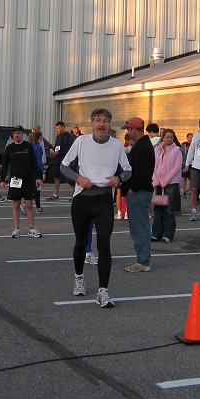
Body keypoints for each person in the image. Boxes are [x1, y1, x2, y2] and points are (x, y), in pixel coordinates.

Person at [59, 108, 131, 308]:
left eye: (106, 121)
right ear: (91, 123)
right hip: (82, 199)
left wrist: (118, 178)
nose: (102, 124)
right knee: (81, 242)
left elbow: (127, 170)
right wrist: (79, 178)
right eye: (98, 120)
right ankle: (79, 278)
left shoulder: (116, 145)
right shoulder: (81, 142)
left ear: (110, 125)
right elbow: (64, 166)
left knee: (104, 245)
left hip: (103, 200)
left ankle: (103, 291)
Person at [122, 116, 155, 273]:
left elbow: (141, 173)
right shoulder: (143, 145)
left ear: (135, 129)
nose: (128, 132)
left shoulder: (142, 147)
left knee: (140, 227)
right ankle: (141, 258)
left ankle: (143, 261)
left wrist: (131, 188)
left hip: (139, 192)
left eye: (129, 129)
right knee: (138, 227)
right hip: (140, 191)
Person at [0, 126, 43, 238]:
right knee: (16, 204)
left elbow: (34, 163)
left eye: (19, 133)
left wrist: (38, 177)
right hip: (15, 179)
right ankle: (16, 229)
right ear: (13, 135)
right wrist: (2, 179)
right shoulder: (9, 148)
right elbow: (5, 164)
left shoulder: (28, 146)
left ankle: (31, 228)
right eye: (15, 133)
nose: (17, 135)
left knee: (29, 204)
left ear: (22, 134)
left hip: (28, 179)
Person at [151, 129, 182, 244]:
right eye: (167, 137)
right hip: (158, 182)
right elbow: (154, 165)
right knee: (158, 208)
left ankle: (168, 234)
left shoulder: (177, 150)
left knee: (169, 210)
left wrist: (165, 180)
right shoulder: (157, 149)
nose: (169, 139)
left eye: (171, 137)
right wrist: (155, 180)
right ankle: (156, 233)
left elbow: (177, 167)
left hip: (171, 183)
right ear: (162, 138)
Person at [49, 121, 74, 200]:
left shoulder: (68, 136)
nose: (58, 130)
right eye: (56, 128)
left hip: (64, 160)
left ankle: (75, 192)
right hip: (57, 160)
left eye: (59, 128)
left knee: (67, 177)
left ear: (63, 127)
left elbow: (69, 148)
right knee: (56, 176)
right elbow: (56, 146)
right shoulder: (58, 136)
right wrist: (53, 151)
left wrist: (59, 152)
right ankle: (55, 194)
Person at [29, 131, 46, 214]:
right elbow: (39, 161)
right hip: (37, 170)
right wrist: (43, 170)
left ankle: (28, 203)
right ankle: (38, 207)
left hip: (30, 169)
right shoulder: (38, 147)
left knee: (32, 188)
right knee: (37, 189)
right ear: (39, 137)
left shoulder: (31, 146)